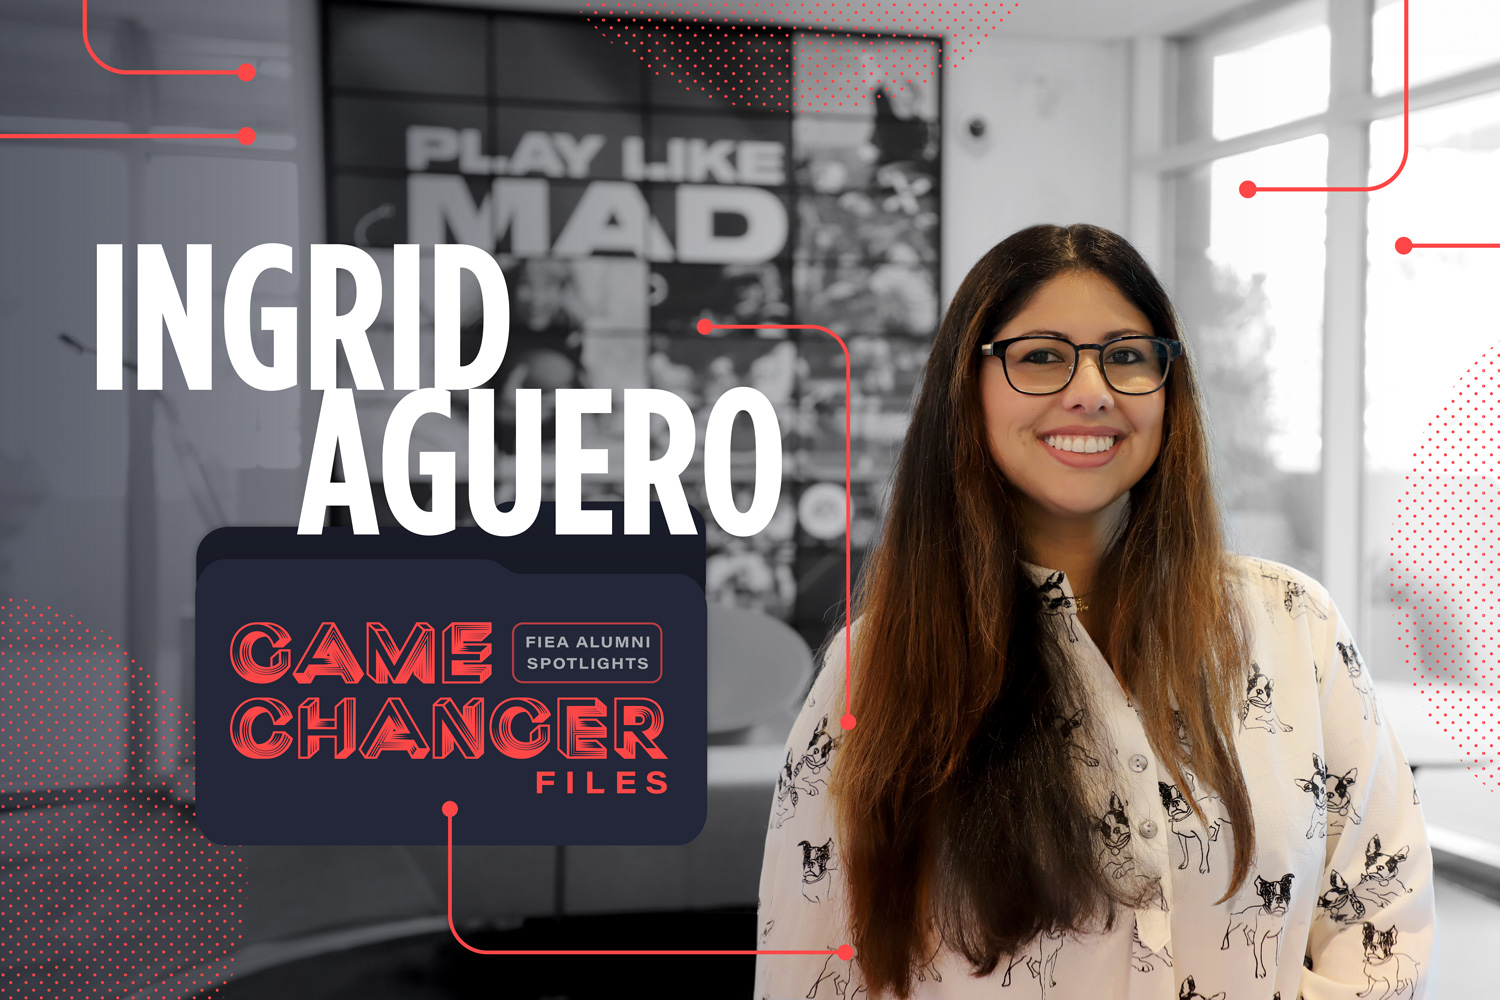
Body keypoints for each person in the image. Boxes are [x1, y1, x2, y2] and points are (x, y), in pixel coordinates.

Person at [753, 224, 1436, 999]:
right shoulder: (872, 668)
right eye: (1040, 356)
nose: (1091, 390)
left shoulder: (1293, 624)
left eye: (1126, 356)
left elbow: (1380, 927)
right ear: (966, 386)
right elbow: (810, 973)